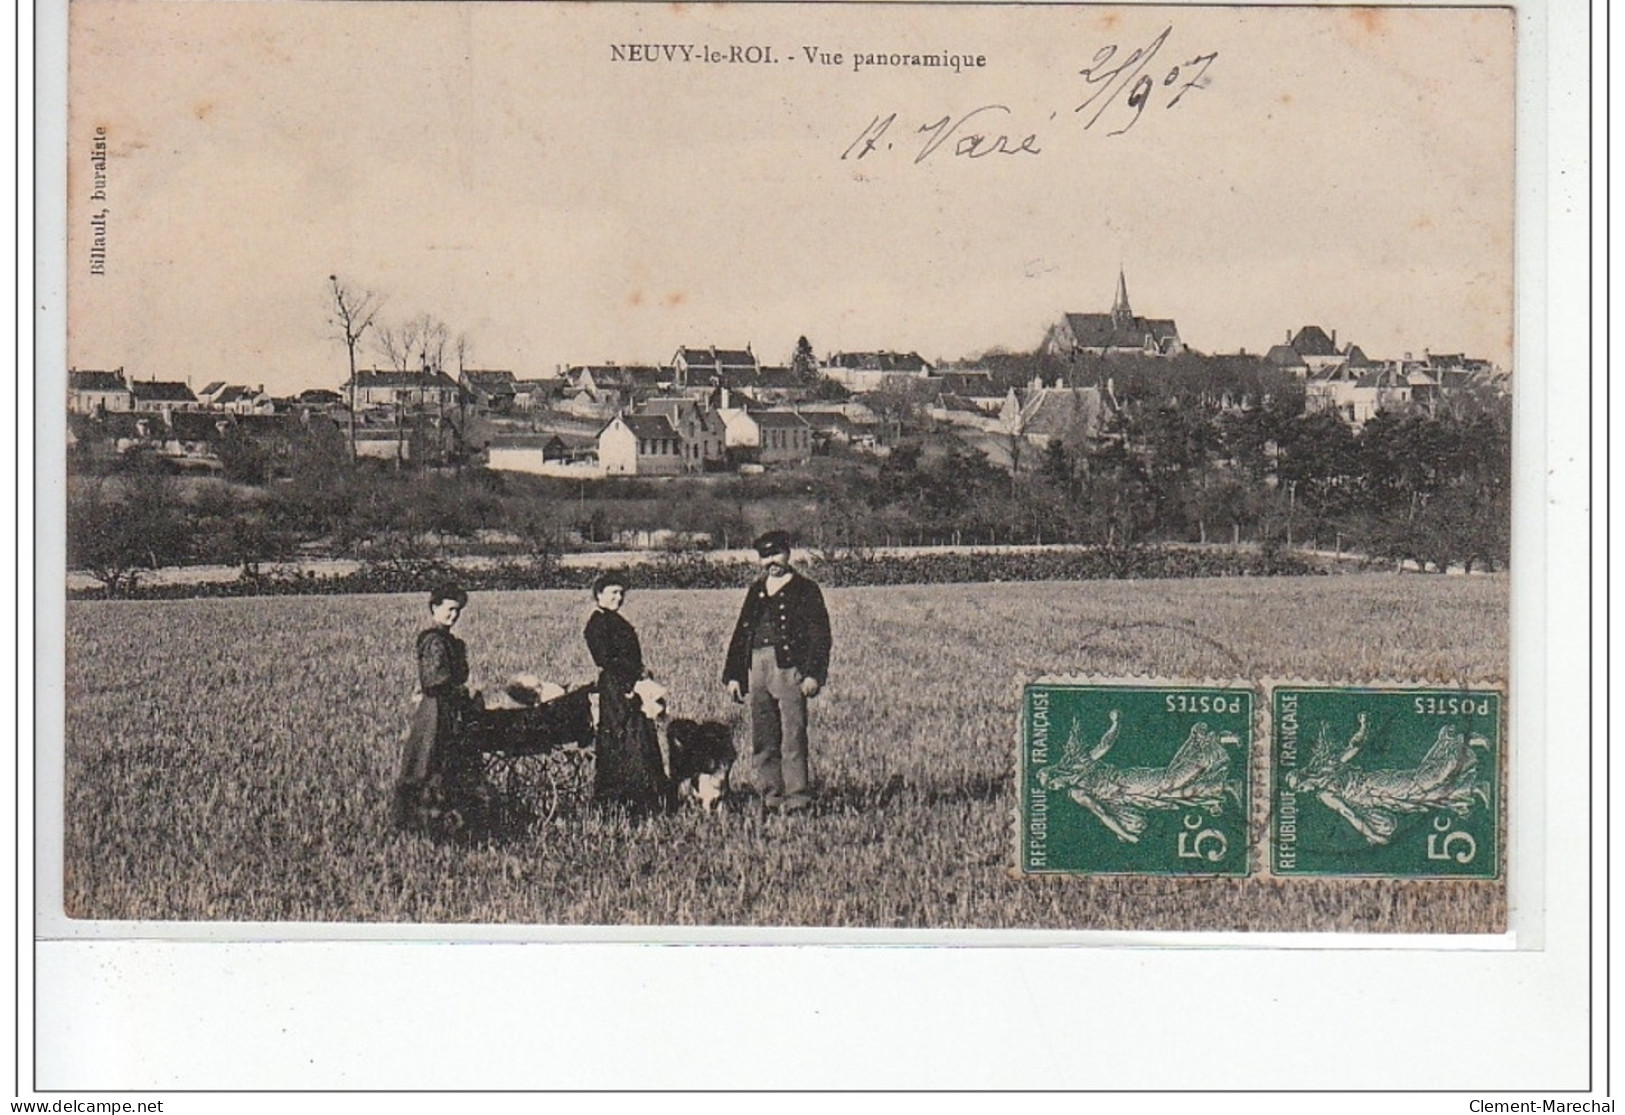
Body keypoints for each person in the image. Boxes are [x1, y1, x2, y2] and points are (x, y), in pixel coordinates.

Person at [723, 531, 832, 813]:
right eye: (765, 556)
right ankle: (771, 796)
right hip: (757, 667)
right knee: (764, 735)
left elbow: (820, 635)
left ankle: (797, 798)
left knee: (793, 734)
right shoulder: (756, 590)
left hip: (790, 668)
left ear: (788, 554)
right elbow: (741, 633)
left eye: (776, 554)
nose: (771, 561)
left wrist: (813, 675)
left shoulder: (806, 589)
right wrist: (734, 675)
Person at [393, 584, 480, 832]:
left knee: (445, 763)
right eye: (450, 609)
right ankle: (424, 823)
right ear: (434, 608)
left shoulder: (450, 641)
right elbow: (433, 680)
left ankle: (447, 824)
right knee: (430, 763)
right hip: (436, 712)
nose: (454, 615)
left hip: (448, 708)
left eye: (458, 611)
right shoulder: (434, 640)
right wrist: (459, 690)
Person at [584, 571, 671, 814]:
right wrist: (631, 683)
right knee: (624, 739)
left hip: (628, 684)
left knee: (639, 738)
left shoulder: (614, 620)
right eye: (613, 592)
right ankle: (629, 801)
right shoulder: (598, 623)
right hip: (617, 688)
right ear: (599, 595)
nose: (619, 598)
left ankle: (646, 798)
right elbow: (606, 659)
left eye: (621, 593)